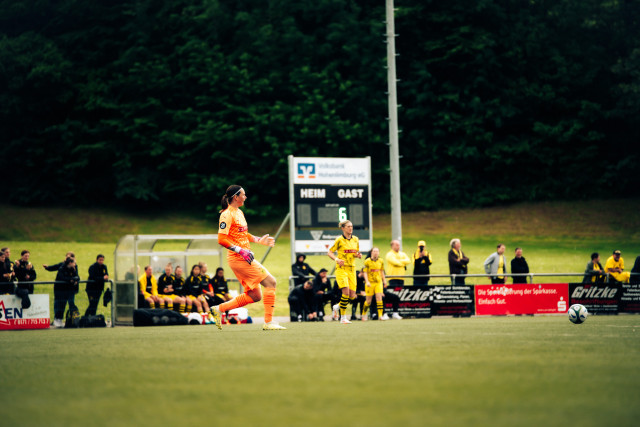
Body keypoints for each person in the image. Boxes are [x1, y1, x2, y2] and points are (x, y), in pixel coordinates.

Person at [211, 185, 285, 330]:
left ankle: (218, 309)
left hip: (244, 258)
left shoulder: (239, 212)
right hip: (239, 259)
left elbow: (243, 234)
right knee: (271, 282)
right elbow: (221, 239)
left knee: (255, 295)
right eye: (243, 195)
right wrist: (241, 250)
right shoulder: (226, 214)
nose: (245, 197)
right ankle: (269, 322)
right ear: (236, 197)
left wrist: (258, 240)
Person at [327, 219, 362, 324]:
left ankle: (337, 306)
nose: (350, 228)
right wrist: (337, 259)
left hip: (352, 269)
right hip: (341, 269)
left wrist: (357, 255)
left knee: (352, 296)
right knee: (345, 292)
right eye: (348, 226)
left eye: (351, 226)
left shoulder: (355, 239)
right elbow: (329, 252)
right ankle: (343, 318)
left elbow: (355, 252)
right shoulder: (339, 240)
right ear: (343, 228)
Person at [53, 257, 80, 328]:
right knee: (60, 305)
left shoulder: (73, 268)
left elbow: (77, 277)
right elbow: (62, 278)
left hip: (68, 290)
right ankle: (57, 319)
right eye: (74, 263)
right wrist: (71, 279)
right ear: (70, 263)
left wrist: (75, 280)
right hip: (60, 290)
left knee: (67, 304)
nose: (75, 264)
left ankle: (68, 320)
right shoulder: (62, 268)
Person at [363, 247, 387, 321]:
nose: (376, 253)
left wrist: (384, 280)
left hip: (378, 282)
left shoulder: (381, 261)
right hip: (370, 283)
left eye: (377, 251)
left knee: (379, 298)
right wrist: (367, 281)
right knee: (368, 301)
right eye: (374, 251)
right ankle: (364, 314)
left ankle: (380, 315)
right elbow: (365, 272)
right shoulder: (367, 261)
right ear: (371, 252)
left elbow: (382, 271)